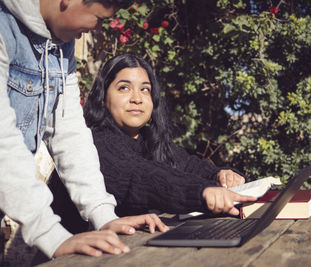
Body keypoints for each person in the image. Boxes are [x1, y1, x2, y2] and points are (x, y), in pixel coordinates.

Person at [0, 0, 168, 260]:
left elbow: (69, 133)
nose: (97, 29)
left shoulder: (60, 46)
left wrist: (103, 215)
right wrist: (52, 236)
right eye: (99, 19)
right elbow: (2, 143)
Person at [84, 54, 257, 217]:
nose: (137, 98)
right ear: (102, 99)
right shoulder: (96, 144)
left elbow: (191, 167)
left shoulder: (150, 140)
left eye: (145, 89)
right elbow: (144, 177)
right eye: (124, 88)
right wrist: (203, 192)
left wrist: (223, 175)